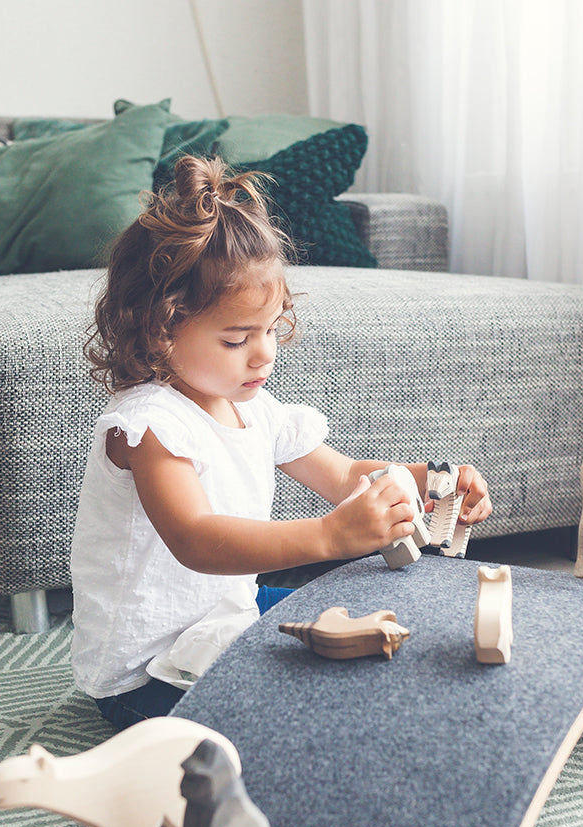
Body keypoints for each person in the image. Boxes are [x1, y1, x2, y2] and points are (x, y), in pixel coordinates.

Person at [71, 155, 492, 730]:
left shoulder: (254, 406)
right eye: (237, 338)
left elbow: (343, 476)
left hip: (226, 619)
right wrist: (327, 536)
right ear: (160, 329)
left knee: (379, 631)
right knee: (307, 712)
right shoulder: (151, 426)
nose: (264, 353)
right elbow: (194, 539)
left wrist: (435, 479)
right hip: (147, 674)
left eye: (270, 329)